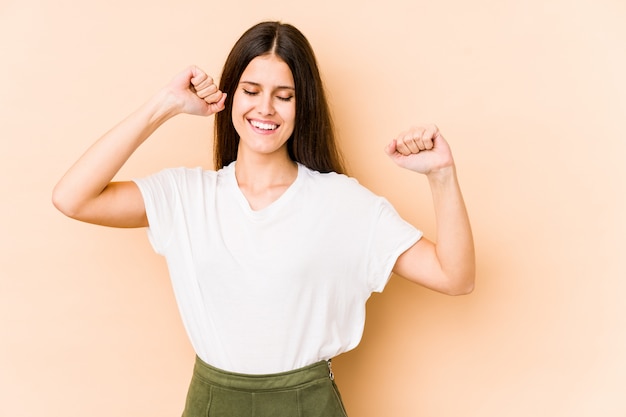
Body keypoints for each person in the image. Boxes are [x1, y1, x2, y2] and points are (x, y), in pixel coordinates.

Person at [52, 21, 474, 417]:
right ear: (230, 96)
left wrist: (441, 175)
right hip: (212, 402)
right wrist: (165, 105)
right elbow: (72, 198)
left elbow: (455, 276)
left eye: (284, 95)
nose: (265, 109)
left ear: (301, 104)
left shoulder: (342, 203)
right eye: (250, 91)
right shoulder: (186, 196)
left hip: (306, 403)